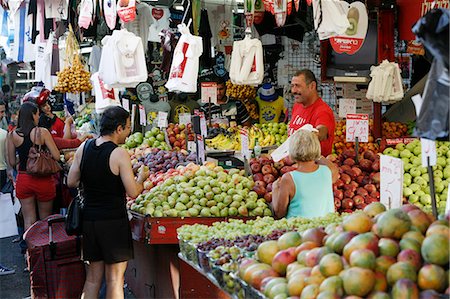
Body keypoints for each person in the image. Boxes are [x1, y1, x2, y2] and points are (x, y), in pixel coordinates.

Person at [67, 106, 149, 298]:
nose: (129, 132)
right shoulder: (119, 153)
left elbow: (71, 181)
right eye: (128, 127)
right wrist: (142, 177)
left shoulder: (84, 148)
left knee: (93, 279)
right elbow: (133, 192)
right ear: (119, 128)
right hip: (113, 222)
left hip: (90, 221)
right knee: (114, 281)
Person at [6, 102, 60, 231]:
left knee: (29, 219)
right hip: (43, 180)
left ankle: (31, 250)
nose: (38, 117)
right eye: (37, 114)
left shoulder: (12, 135)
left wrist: (24, 157)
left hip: (24, 180)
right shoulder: (43, 132)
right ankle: (45, 248)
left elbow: (12, 162)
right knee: (45, 219)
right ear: (33, 115)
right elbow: (57, 156)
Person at [271, 129, 338, 219]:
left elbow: (279, 213)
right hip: (325, 229)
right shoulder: (327, 172)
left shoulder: (289, 178)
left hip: (298, 230)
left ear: (292, 150)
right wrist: (316, 154)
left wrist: (275, 189)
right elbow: (333, 168)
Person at [289, 69, 335, 157]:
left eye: (298, 86)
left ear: (312, 86)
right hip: (296, 164)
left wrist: (314, 135)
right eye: (292, 86)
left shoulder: (323, 111)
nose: (293, 90)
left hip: (315, 167)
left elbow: (322, 131)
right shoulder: (297, 105)